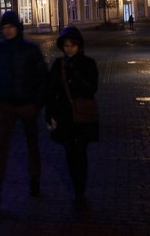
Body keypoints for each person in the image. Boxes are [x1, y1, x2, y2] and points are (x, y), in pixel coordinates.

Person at [0, 10, 48, 208]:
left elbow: (42, 78)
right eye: (5, 28)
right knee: (1, 147)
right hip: (5, 106)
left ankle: (34, 180)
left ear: (18, 28)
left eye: (11, 27)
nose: (8, 31)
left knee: (32, 145)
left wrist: (36, 104)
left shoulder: (30, 50)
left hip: (27, 105)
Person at [44, 26, 99, 207]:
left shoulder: (88, 63)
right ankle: (76, 187)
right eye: (66, 45)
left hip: (82, 116)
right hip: (65, 116)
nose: (69, 49)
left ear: (79, 46)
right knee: (69, 154)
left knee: (81, 154)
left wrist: (74, 72)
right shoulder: (58, 65)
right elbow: (50, 92)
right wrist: (49, 114)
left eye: (73, 45)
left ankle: (80, 191)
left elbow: (92, 88)